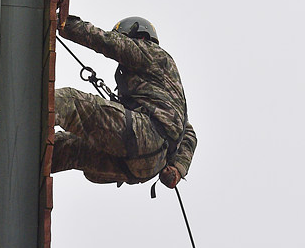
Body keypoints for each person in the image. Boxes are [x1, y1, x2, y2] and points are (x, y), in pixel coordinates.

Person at [53, 15, 197, 188]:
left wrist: (63, 24)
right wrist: (178, 169)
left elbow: (109, 42)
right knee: (68, 148)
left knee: (70, 102)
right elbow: (189, 133)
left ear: (139, 37)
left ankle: (22, 116)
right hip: (145, 166)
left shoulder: (152, 52)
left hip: (145, 136)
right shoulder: (169, 92)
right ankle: (26, 162)